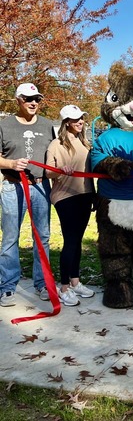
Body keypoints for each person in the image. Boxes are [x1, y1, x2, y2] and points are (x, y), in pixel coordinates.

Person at [0, 83, 54, 307]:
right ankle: (7, 287)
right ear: (18, 100)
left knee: (42, 237)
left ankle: (42, 284)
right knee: (10, 238)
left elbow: (55, 153)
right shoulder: (4, 125)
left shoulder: (48, 125)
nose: (34, 103)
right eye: (29, 98)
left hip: (41, 187)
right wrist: (11, 163)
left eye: (37, 99)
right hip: (12, 187)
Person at [45, 105, 95, 307]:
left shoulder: (85, 143)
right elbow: (48, 172)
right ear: (66, 122)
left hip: (85, 195)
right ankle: (64, 287)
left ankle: (75, 281)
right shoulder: (55, 145)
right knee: (70, 241)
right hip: (65, 197)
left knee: (78, 240)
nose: (80, 122)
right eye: (75, 119)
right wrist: (58, 170)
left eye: (82, 118)